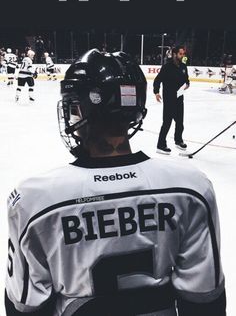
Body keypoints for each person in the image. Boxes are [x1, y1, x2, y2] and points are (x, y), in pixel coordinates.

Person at [5, 49, 226, 316]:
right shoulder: (191, 190)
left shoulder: (34, 201)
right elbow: (204, 300)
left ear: (84, 108)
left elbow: (26, 307)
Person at [153, 45, 190, 154]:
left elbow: (187, 81)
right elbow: (157, 80)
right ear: (174, 54)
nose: (182, 56)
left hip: (179, 98)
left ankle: (178, 140)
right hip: (169, 99)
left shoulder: (183, 67)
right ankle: (161, 145)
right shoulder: (167, 67)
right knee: (167, 123)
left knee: (180, 122)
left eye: (183, 54)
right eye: (180, 54)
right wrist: (156, 92)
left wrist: (187, 85)